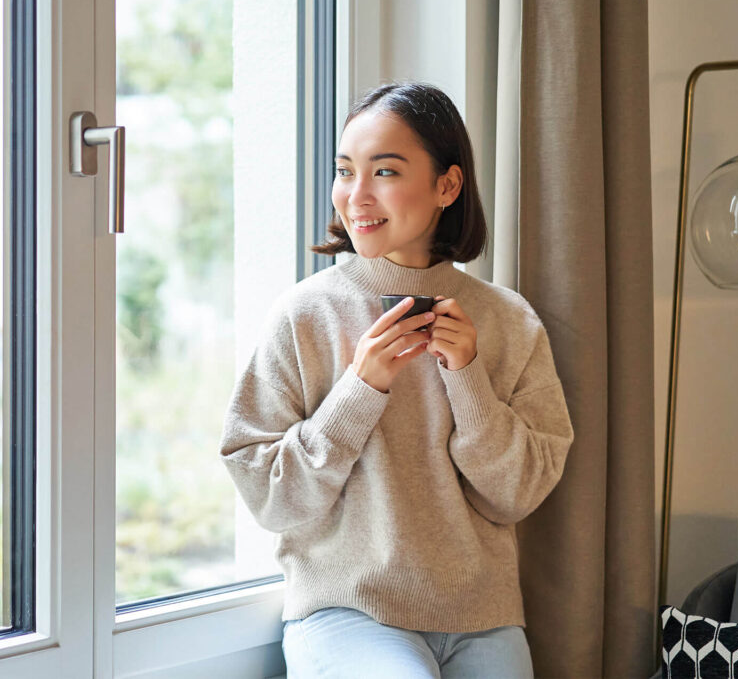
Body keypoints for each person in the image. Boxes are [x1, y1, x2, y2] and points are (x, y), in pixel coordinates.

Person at [219, 82, 574, 678]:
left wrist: (468, 379)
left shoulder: (509, 321)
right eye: (344, 170)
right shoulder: (304, 315)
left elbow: (517, 494)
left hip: (482, 616)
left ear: (447, 186)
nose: (355, 196)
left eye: (384, 171)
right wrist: (359, 389)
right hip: (347, 611)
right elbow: (273, 498)